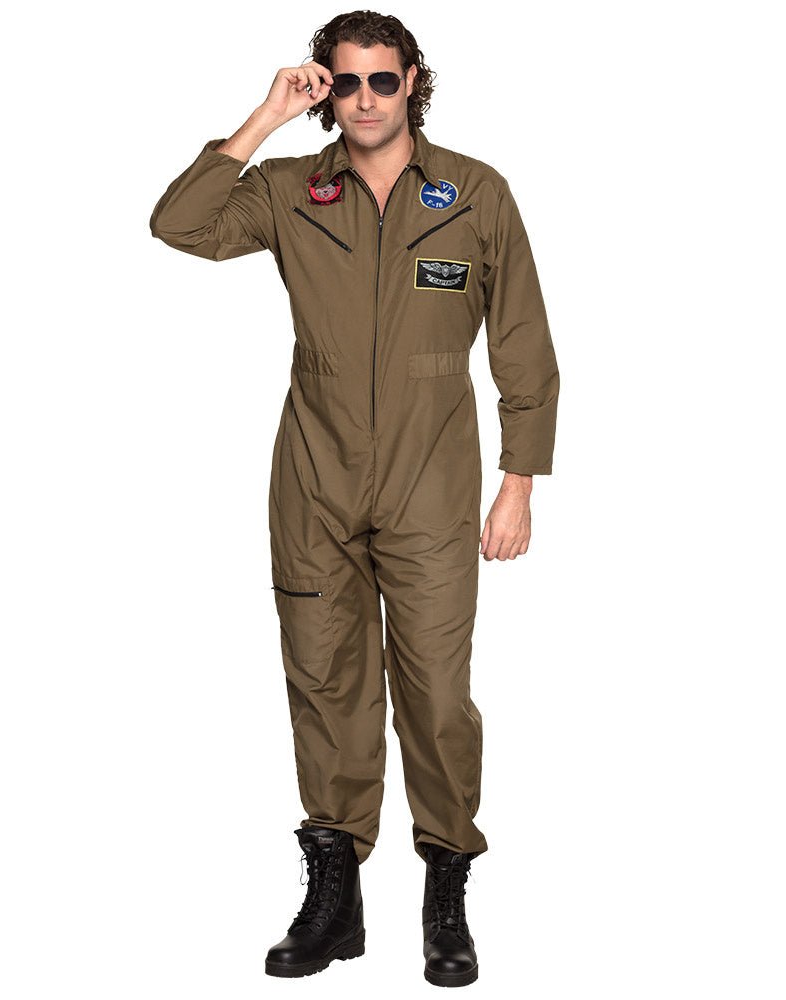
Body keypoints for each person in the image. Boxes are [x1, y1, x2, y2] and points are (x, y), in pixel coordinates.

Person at [149, 10, 559, 988]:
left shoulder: (475, 193)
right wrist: (263, 117)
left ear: (412, 79)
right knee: (326, 682)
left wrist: (518, 484)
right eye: (344, 81)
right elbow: (180, 224)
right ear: (323, 88)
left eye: (382, 79)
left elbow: (522, 343)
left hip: (431, 481)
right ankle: (335, 897)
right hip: (314, 478)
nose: (365, 99)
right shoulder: (293, 189)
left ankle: (446, 890)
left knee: (435, 691)